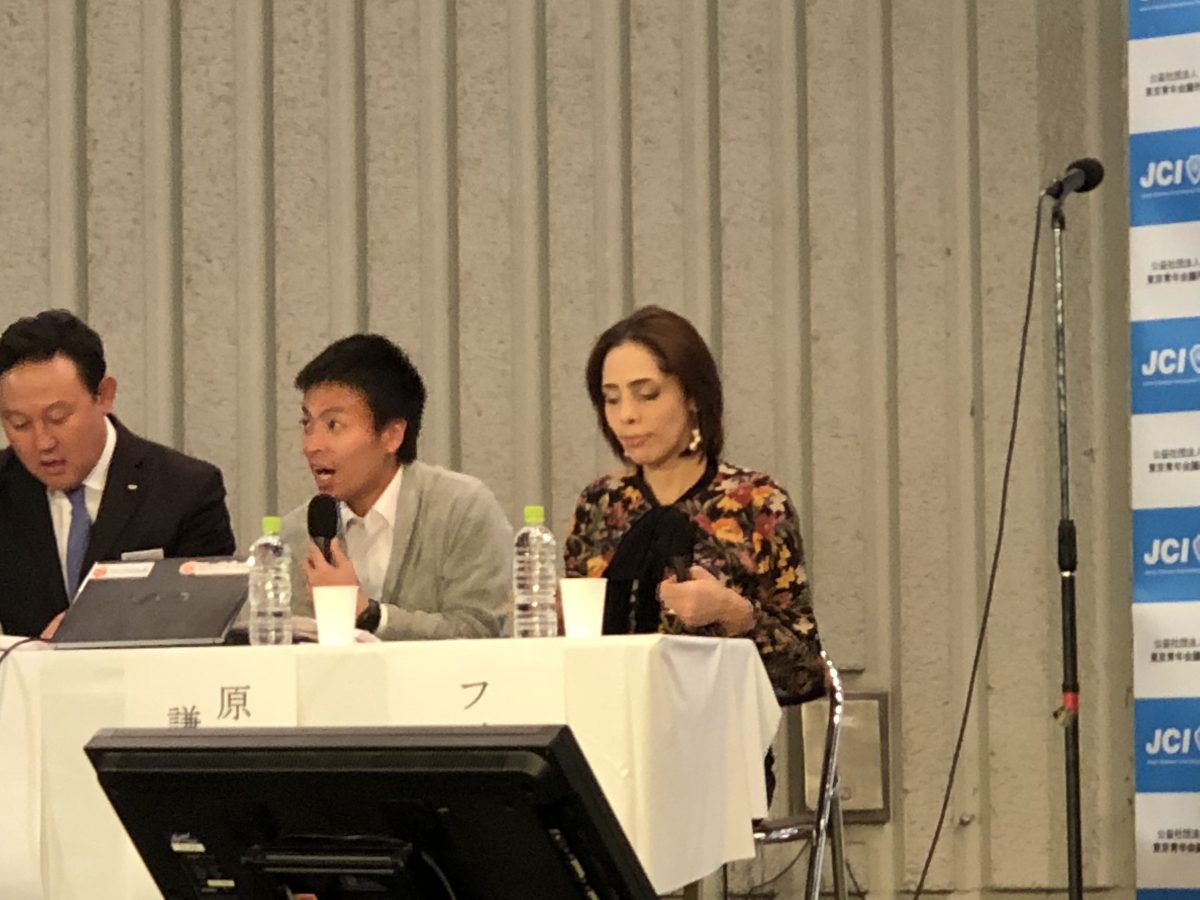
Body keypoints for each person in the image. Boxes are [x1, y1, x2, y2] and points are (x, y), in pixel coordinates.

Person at [564, 305, 824, 701]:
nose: (626, 415)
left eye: (647, 395)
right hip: (605, 726)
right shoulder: (599, 503)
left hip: (717, 731)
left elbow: (805, 674)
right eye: (611, 399)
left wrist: (737, 616)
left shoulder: (756, 501)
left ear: (692, 397)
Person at [0, 309, 237, 638]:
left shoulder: (186, 491)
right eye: (19, 424)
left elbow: (206, 618)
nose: (43, 442)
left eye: (58, 417)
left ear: (104, 395)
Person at [280, 334, 512, 639]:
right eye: (307, 424)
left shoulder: (461, 509)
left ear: (392, 435)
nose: (312, 445)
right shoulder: (298, 532)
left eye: (333, 425)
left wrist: (367, 613)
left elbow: (479, 631)